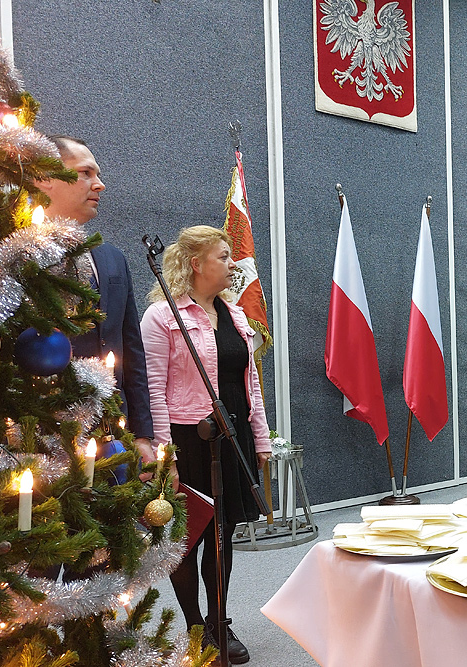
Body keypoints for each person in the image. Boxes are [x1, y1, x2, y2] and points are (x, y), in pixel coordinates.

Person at [140, 226, 271, 664]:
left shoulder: (234, 316)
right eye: (223, 256)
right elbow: (152, 389)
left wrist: (261, 439)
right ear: (197, 264)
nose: (232, 264)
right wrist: (165, 458)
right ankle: (196, 628)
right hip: (186, 440)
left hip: (231, 435)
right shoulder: (162, 317)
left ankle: (219, 621)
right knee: (189, 536)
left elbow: (248, 383)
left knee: (222, 533)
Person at [36, 136, 156, 470]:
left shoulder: (112, 259)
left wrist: (143, 434)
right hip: (41, 434)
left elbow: (132, 350)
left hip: (110, 429)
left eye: (98, 174)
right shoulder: (18, 254)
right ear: (45, 178)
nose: (99, 185)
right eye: (85, 173)